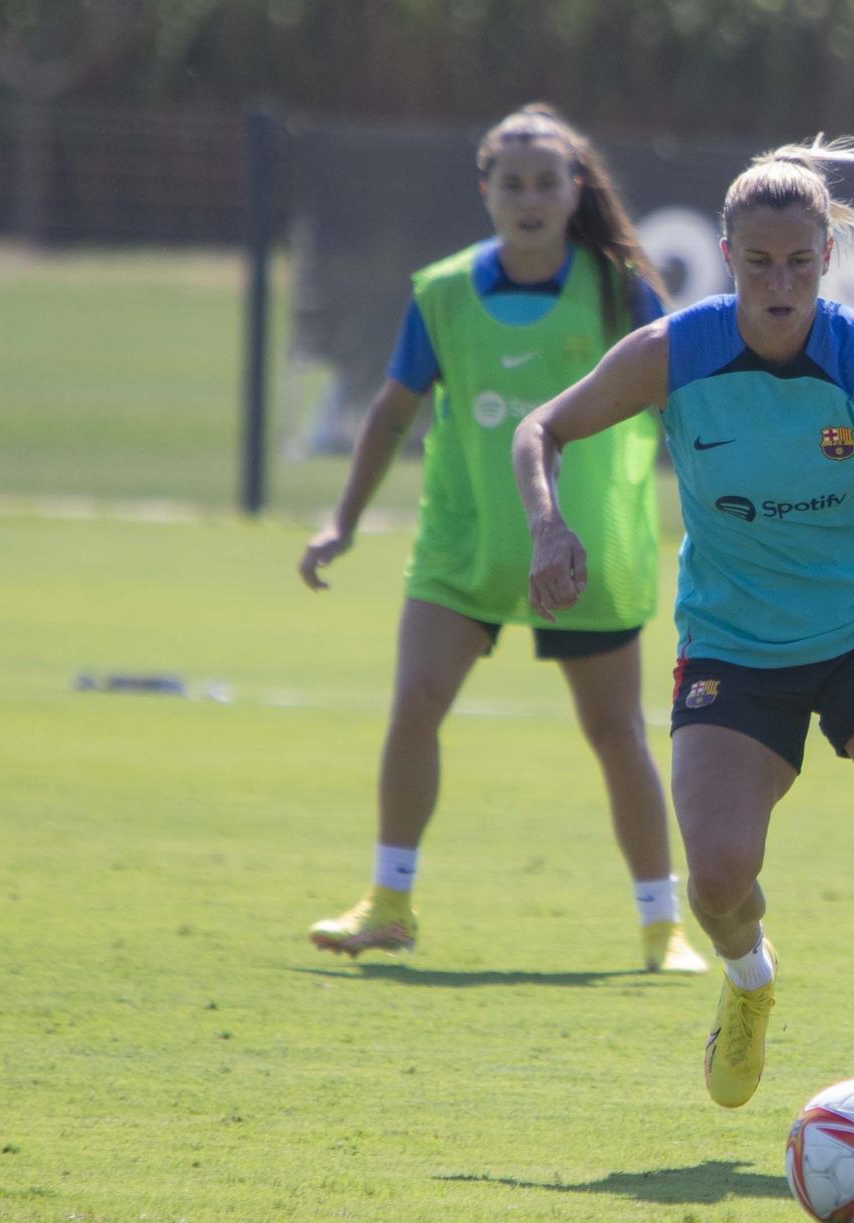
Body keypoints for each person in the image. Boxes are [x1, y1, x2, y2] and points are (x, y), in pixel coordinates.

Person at [512, 137, 854, 1175]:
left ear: (825, 263)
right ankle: (751, 978)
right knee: (716, 875)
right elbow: (541, 429)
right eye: (756, 264)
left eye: (797, 265)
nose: (777, 285)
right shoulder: (678, 352)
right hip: (732, 644)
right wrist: (548, 528)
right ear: (725, 257)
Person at [300, 103, 705, 976]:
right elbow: (391, 411)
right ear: (485, 191)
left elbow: (686, 401)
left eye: (545, 181)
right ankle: (390, 901)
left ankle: (660, 924)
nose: (529, 197)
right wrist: (343, 520)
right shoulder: (442, 293)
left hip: (586, 548)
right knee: (415, 702)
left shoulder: (617, 288)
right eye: (511, 182)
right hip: (469, 545)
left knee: (616, 733)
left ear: (575, 190)